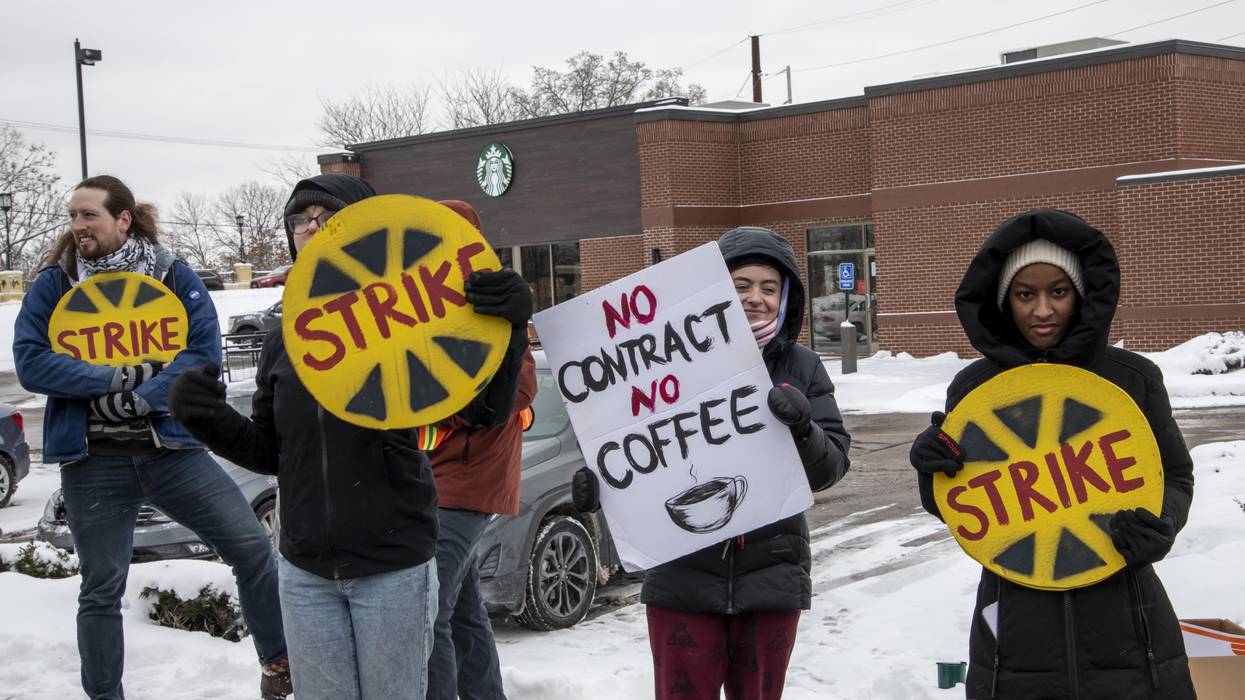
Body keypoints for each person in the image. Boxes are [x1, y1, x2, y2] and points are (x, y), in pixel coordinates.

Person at [167, 175, 533, 700]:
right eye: (300, 220)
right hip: (304, 571)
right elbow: (272, 451)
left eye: (326, 216)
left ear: (363, 229)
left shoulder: (410, 323)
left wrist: (512, 330)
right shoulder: (283, 341)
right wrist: (207, 419)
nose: (311, 227)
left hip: (393, 567)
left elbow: (486, 410)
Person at [12, 175, 290, 700]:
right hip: (93, 461)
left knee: (253, 549)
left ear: (123, 219)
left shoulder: (171, 275)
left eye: (88, 215)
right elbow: (31, 361)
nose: (77, 226)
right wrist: (110, 379)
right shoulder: (56, 283)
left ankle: (279, 667)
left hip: (172, 452)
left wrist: (147, 395)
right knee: (99, 591)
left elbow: (200, 351)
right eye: (72, 215)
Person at [908, 208, 1195, 699]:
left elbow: (1174, 475)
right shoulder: (975, 389)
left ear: (1081, 296)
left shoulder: (1133, 378)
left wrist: (1160, 524)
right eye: (1025, 295)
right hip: (1017, 629)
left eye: (1058, 292)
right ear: (1004, 303)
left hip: (1128, 624)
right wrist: (931, 467)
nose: (1043, 311)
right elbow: (961, 503)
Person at [572, 226, 852, 700]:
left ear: (786, 298)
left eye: (769, 287)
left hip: (771, 579)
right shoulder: (660, 361)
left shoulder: (802, 367)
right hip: (681, 576)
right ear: (716, 290)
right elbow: (630, 450)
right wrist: (599, 487)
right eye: (740, 286)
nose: (755, 299)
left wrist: (805, 430)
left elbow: (831, 469)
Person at [425, 200, 536, 700]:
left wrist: (443, 406)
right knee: (462, 612)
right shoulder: (426, 312)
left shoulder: (495, 303)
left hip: (469, 488)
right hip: (435, 486)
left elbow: (521, 388)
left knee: (428, 614)